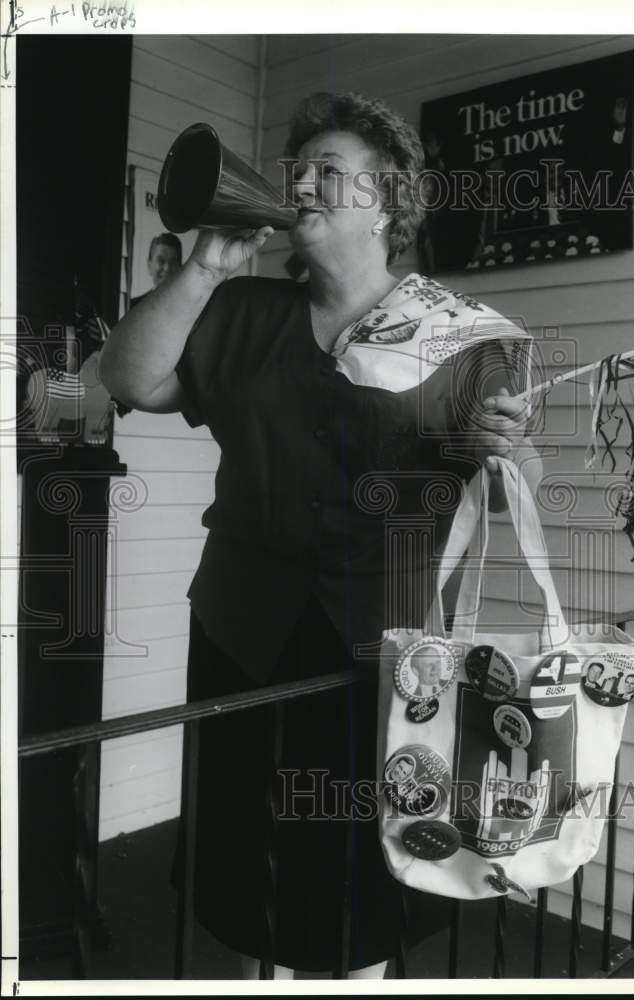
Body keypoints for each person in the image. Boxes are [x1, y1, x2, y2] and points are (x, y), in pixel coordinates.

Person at [99, 91, 539, 980]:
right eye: (297, 172)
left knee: (357, 871)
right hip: (242, 630)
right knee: (246, 853)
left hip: (383, 650)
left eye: (327, 174)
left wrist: (513, 451)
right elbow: (130, 380)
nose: (301, 185)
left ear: (387, 203)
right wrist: (203, 268)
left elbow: (509, 493)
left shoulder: (467, 342)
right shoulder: (240, 309)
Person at [129, 232, 182, 308]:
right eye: (161, 261)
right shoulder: (131, 307)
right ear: (149, 266)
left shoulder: (192, 309)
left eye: (173, 262)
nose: (167, 268)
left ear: (180, 268)